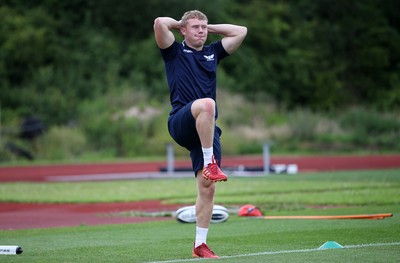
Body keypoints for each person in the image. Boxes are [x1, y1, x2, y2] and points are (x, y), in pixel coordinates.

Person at [153, 10, 247, 258]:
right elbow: (160, 22)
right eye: (195, 27)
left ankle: (200, 245)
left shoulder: (212, 52)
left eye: (204, 27)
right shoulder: (173, 51)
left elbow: (241, 31)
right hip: (182, 121)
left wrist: (209, 27)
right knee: (207, 104)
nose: (201, 31)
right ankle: (210, 163)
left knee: (207, 188)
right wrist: (182, 24)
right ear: (183, 30)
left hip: (206, 130)